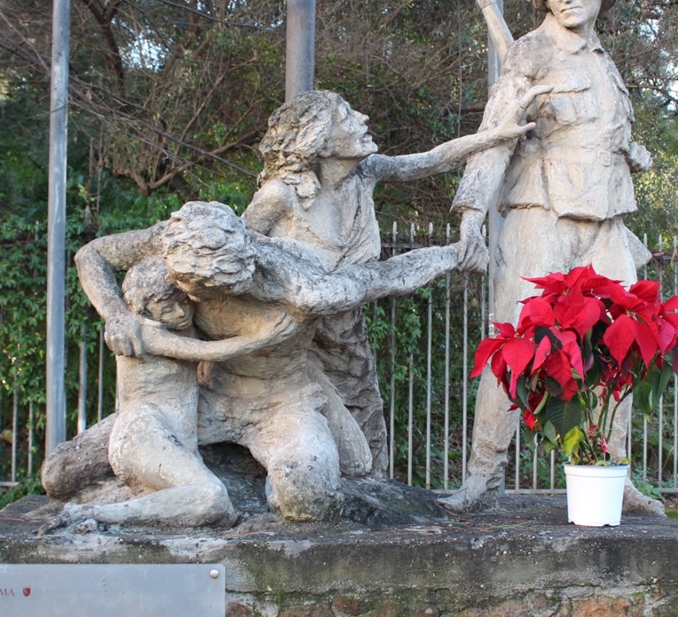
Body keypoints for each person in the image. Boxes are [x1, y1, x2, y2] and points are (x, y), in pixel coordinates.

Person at [57, 201, 475, 525]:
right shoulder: (181, 239)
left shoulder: (302, 286)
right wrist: (116, 314)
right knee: (61, 474)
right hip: (206, 398)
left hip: (282, 402)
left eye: (218, 292)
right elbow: (91, 256)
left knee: (307, 498)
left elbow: (385, 276)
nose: (201, 303)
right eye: (194, 292)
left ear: (245, 266)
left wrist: (456, 253)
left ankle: (262, 484)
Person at [442, 0, 662, 515]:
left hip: (607, 218)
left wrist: (631, 151)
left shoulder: (605, 64)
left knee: (617, 351)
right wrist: (470, 214)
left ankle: (613, 476)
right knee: (515, 343)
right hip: (539, 211)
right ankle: (482, 479)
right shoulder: (531, 53)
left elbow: (602, 132)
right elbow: (495, 133)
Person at [243, 89, 545, 472]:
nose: (363, 119)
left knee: (365, 412)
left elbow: (432, 160)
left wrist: (497, 135)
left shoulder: (366, 172)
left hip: (345, 331)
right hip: (285, 337)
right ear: (317, 139)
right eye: (348, 117)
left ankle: (369, 488)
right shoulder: (280, 196)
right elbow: (238, 255)